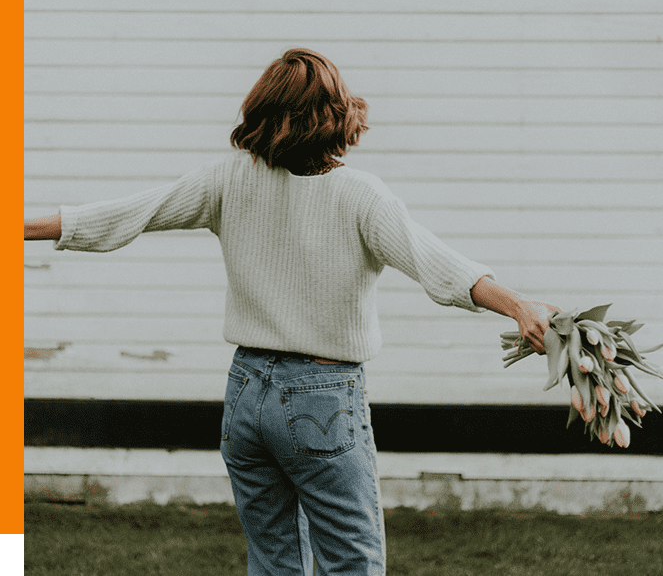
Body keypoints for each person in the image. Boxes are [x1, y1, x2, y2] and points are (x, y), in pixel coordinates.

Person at [25, 48, 559, 576]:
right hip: (321, 400)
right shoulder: (361, 196)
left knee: (273, 562)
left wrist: (21, 226)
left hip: (245, 394)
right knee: (353, 562)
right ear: (337, 115)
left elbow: (129, 214)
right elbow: (439, 267)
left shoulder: (227, 179)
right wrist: (518, 307)